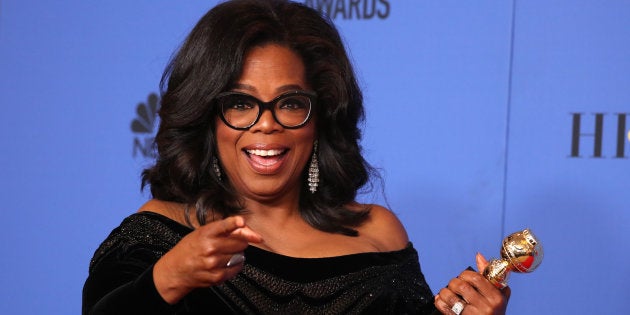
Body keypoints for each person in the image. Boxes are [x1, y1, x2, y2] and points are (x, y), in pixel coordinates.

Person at [82, 0, 510, 314]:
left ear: (320, 118)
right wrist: (169, 278)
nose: (266, 125)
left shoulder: (378, 234)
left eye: (289, 103)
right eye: (240, 103)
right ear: (207, 118)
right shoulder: (159, 235)